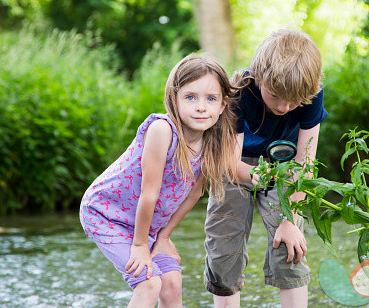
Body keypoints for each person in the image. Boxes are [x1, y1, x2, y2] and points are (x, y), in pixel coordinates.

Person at [80, 54, 238, 308]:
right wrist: (141, 245)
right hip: (107, 214)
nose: (201, 106)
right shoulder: (162, 130)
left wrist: (163, 237)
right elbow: (149, 193)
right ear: (174, 99)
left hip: (147, 224)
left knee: (172, 282)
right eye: (190, 97)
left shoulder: (213, 141)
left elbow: (194, 194)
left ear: (222, 104)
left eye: (211, 99)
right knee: (149, 282)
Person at [204, 29, 328, 307]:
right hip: (236, 164)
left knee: (290, 245)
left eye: (294, 101)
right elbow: (230, 163)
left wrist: (289, 217)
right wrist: (258, 176)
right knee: (225, 246)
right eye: (275, 96)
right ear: (259, 78)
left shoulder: (311, 91)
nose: (284, 107)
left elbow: (305, 165)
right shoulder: (238, 90)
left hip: (286, 166)